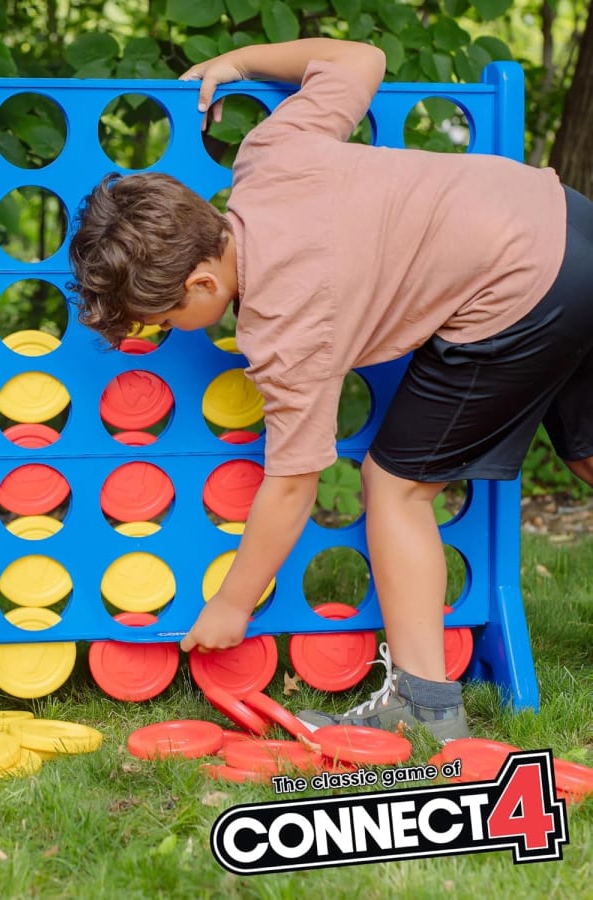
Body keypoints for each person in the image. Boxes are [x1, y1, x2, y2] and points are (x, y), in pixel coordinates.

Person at [67, 37, 593, 743]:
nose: (163, 331)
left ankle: (425, 704)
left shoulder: (283, 328)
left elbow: (292, 485)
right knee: (586, 451)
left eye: (162, 318)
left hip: (517, 285)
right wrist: (242, 62)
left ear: (202, 283)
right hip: (562, 217)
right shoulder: (267, 158)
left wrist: (232, 604)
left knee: (396, 486)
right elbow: (360, 61)